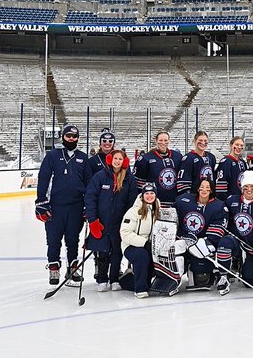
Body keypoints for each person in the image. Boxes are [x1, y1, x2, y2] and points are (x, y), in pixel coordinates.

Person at [35, 124, 90, 286]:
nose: (71, 139)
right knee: (53, 240)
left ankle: (72, 268)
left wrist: (87, 205)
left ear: (78, 138)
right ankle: (54, 268)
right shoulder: (52, 155)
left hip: (76, 206)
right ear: (63, 137)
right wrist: (41, 202)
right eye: (68, 136)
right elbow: (44, 178)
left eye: (74, 136)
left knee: (73, 239)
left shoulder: (83, 157)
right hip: (55, 207)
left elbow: (88, 182)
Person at [84, 148, 137, 291]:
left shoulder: (129, 179)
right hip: (101, 221)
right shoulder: (100, 176)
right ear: (110, 160)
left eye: (120, 159)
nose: (117, 161)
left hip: (119, 223)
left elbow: (132, 202)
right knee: (102, 250)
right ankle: (102, 279)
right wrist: (93, 220)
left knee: (117, 251)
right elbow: (90, 198)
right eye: (115, 158)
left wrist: (128, 222)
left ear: (124, 161)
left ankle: (114, 279)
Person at [215, 171, 253, 295]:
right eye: (246, 187)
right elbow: (222, 214)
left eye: (252, 187)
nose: (249, 189)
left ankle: (244, 266)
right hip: (235, 241)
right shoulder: (232, 201)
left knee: (250, 282)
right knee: (225, 243)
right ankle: (223, 276)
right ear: (241, 188)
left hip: (252, 246)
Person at [175, 177, 228, 291]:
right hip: (184, 240)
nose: (204, 190)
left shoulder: (218, 206)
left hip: (201, 245)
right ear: (198, 188)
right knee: (175, 253)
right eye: (202, 187)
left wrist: (205, 243)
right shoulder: (184, 200)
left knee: (201, 272)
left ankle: (207, 271)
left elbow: (218, 229)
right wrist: (180, 235)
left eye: (207, 188)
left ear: (211, 190)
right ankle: (174, 277)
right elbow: (173, 218)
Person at [118, 184, 161, 299]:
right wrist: (144, 243)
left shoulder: (158, 210)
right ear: (142, 195)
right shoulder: (133, 211)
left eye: (152, 193)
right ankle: (139, 289)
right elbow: (125, 233)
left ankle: (135, 281)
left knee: (153, 260)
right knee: (142, 256)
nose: (149, 196)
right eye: (146, 193)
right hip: (131, 246)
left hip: (150, 246)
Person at [133, 131, 182, 204]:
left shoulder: (178, 157)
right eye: (160, 140)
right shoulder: (146, 158)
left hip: (173, 201)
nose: (163, 143)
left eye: (165, 140)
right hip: (153, 203)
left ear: (169, 141)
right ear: (156, 141)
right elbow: (138, 183)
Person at [177, 131, 216, 200]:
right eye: (200, 140)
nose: (203, 143)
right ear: (194, 141)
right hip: (194, 198)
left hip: (208, 197)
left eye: (205, 141)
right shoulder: (188, 158)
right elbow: (184, 182)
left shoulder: (211, 157)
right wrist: (189, 198)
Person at [214, 136, 246, 202]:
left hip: (241, 200)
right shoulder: (225, 162)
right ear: (231, 145)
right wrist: (225, 201)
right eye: (237, 144)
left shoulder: (242, 162)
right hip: (230, 201)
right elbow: (221, 187)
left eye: (241, 145)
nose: (239, 147)